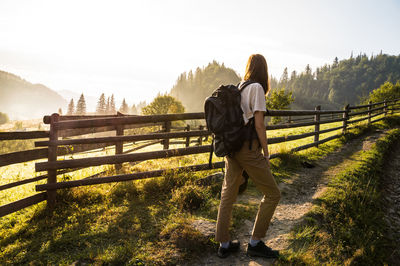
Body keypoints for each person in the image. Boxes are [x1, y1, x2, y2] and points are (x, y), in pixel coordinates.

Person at [215, 54, 281, 259]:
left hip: (231, 148)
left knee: (228, 194)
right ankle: (255, 242)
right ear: (264, 70)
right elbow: (259, 125)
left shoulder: (240, 86)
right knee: (273, 194)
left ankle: (224, 244)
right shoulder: (258, 89)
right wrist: (267, 152)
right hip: (248, 149)